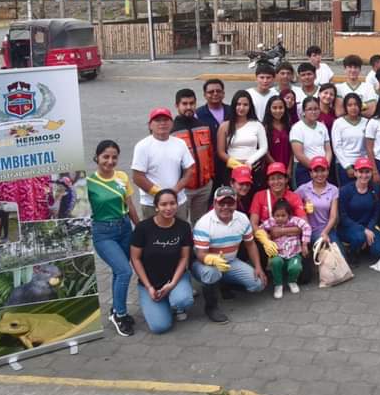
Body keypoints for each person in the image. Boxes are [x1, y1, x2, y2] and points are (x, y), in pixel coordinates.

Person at [192, 185, 267, 324]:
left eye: (230, 203)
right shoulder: (204, 223)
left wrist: (258, 267)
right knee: (211, 273)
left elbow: (250, 244)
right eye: (221, 203)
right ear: (214, 203)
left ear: (236, 203)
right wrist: (213, 259)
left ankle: (223, 282)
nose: (226, 207)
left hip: (231, 261)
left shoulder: (242, 218)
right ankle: (211, 307)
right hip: (205, 264)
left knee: (258, 284)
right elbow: (200, 255)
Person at [87, 139, 139, 337]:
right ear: (97, 157)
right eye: (105, 157)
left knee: (119, 272)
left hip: (125, 228)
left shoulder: (122, 176)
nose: (110, 161)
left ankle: (116, 309)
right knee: (125, 271)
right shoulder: (88, 183)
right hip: (103, 232)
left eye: (114, 157)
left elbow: (130, 205)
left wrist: (139, 227)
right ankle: (120, 314)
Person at [129, 189, 194, 334]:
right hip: (151, 282)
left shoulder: (183, 227)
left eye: (172, 203)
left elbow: (184, 257)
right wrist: (148, 287)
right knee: (160, 327)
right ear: (156, 207)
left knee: (183, 300)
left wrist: (172, 284)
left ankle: (176, 303)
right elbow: (135, 258)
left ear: (177, 204)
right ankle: (161, 301)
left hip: (175, 278)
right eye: (163, 204)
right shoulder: (143, 228)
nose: (168, 208)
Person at [131, 107, 195, 223]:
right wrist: (160, 195)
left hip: (178, 202)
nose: (162, 123)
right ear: (150, 125)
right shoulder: (142, 146)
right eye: (158, 120)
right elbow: (137, 177)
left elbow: (189, 169)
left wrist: (175, 190)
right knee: (153, 233)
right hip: (152, 204)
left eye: (165, 120)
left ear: (172, 124)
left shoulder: (180, 143)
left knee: (180, 231)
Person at [217, 90, 269, 192]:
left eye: (245, 105)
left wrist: (249, 162)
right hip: (232, 170)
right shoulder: (225, 126)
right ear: (234, 105)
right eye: (238, 104)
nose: (242, 108)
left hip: (253, 168)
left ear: (250, 107)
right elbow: (221, 152)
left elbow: (264, 147)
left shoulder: (257, 125)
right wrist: (238, 166)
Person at [261, 198, 311, 299]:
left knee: (295, 268)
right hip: (277, 253)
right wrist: (268, 237)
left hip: (294, 253)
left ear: (289, 215)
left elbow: (307, 227)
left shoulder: (295, 220)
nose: (280, 218)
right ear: (273, 215)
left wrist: (305, 244)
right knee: (275, 262)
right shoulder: (271, 222)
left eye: (283, 215)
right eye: (277, 216)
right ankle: (278, 284)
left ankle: (292, 281)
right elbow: (260, 229)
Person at [338, 157, 380, 261]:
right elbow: (343, 216)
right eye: (360, 172)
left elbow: (376, 212)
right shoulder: (345, 190)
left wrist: (369, 228)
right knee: (359, 237)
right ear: (355, 173)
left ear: (371, 173)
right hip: (349, 227)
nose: (364, 175)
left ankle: (364, 246)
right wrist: (363, 230)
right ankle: (352, 253)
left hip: (368, 226)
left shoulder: (375, 189)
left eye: (367, 172)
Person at [289, 96, 332, 189]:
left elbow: (328, 150)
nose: (313, 112)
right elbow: (299, 154)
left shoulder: (322, 126)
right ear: (304, 111)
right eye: (310, 109)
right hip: (304, 169)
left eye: (316, 109)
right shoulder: (297, 128)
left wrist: (325, 167)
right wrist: (315, 169)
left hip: (323, 170)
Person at [296, 157, 339, 245]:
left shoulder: (333, 189)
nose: (320, 174)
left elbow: (333, 216)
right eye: (316, 171)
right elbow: (291, 203)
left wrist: (325, 232)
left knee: (338, 251)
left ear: (328, 171)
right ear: (311, 173)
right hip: (309, 230)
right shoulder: (303, 189)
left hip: (327, 229)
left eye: (323, 170)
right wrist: (302, 208)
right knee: (325, 247)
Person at [332, 92, 369, 183]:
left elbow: (369, 146)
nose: (353, 107)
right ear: (345, 107)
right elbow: (337, 147)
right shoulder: (338, 123)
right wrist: (347, 166)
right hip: (344, 165)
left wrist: (365, 162)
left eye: (356, 104)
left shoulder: (366, 122)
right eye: (350, 105)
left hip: (363, 165)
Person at [264, 95, 293, 180]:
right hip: (271, 169)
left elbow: (292, 150)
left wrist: (289, 168)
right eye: (274, 108)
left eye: (281, 107)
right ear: (269, 109)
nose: (278, 110)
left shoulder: (289, 126)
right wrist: (277, 168)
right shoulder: (265, 128)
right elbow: (265, 152)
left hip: (287, 169)